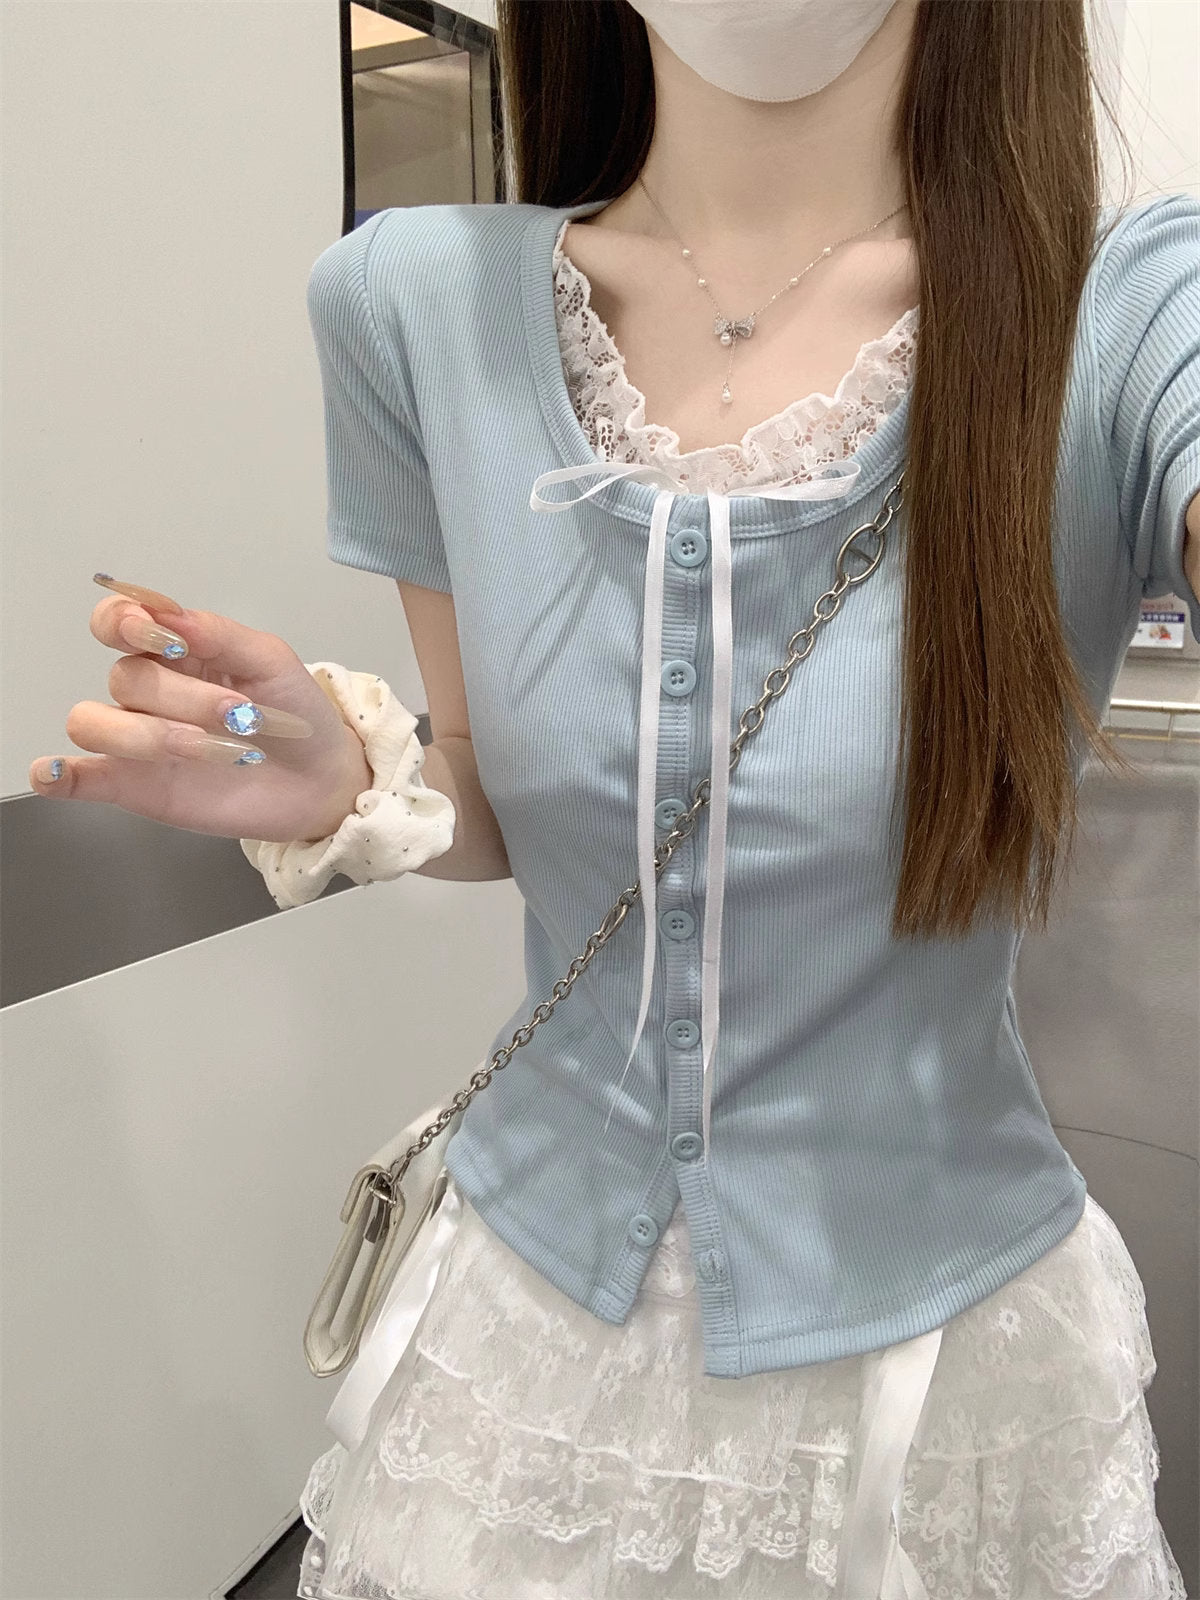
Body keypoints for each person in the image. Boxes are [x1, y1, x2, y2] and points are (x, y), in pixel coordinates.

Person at [29, 1, 1199, 1596]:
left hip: (935, 1368)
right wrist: (361, 782)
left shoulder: (1122, 308)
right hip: (525, 1357)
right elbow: (498, 803)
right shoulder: (413, 303)